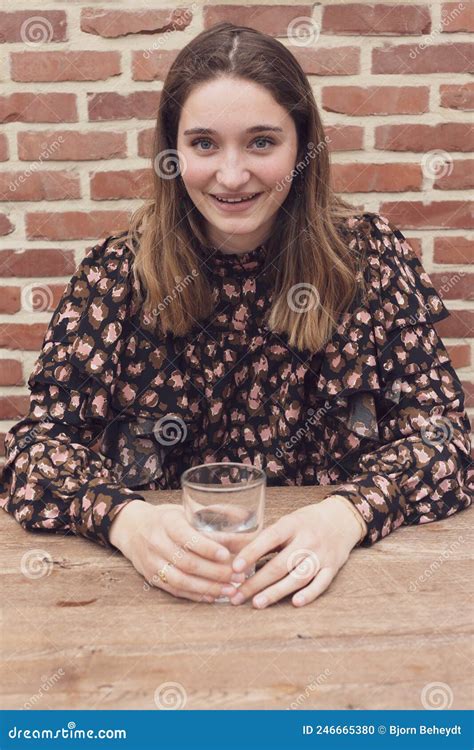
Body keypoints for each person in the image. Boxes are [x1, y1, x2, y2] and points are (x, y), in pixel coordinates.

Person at [1, 22, 472, 610]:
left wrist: (347, 514)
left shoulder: (368, 261)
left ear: (302, 145)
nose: (230, 175)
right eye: (203, 144)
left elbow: (447, 441)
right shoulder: (117, 274)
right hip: (153, 606)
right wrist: (126, 521)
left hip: (339, 600)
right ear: (172, 153)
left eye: (261, 142)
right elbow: (33, 452)